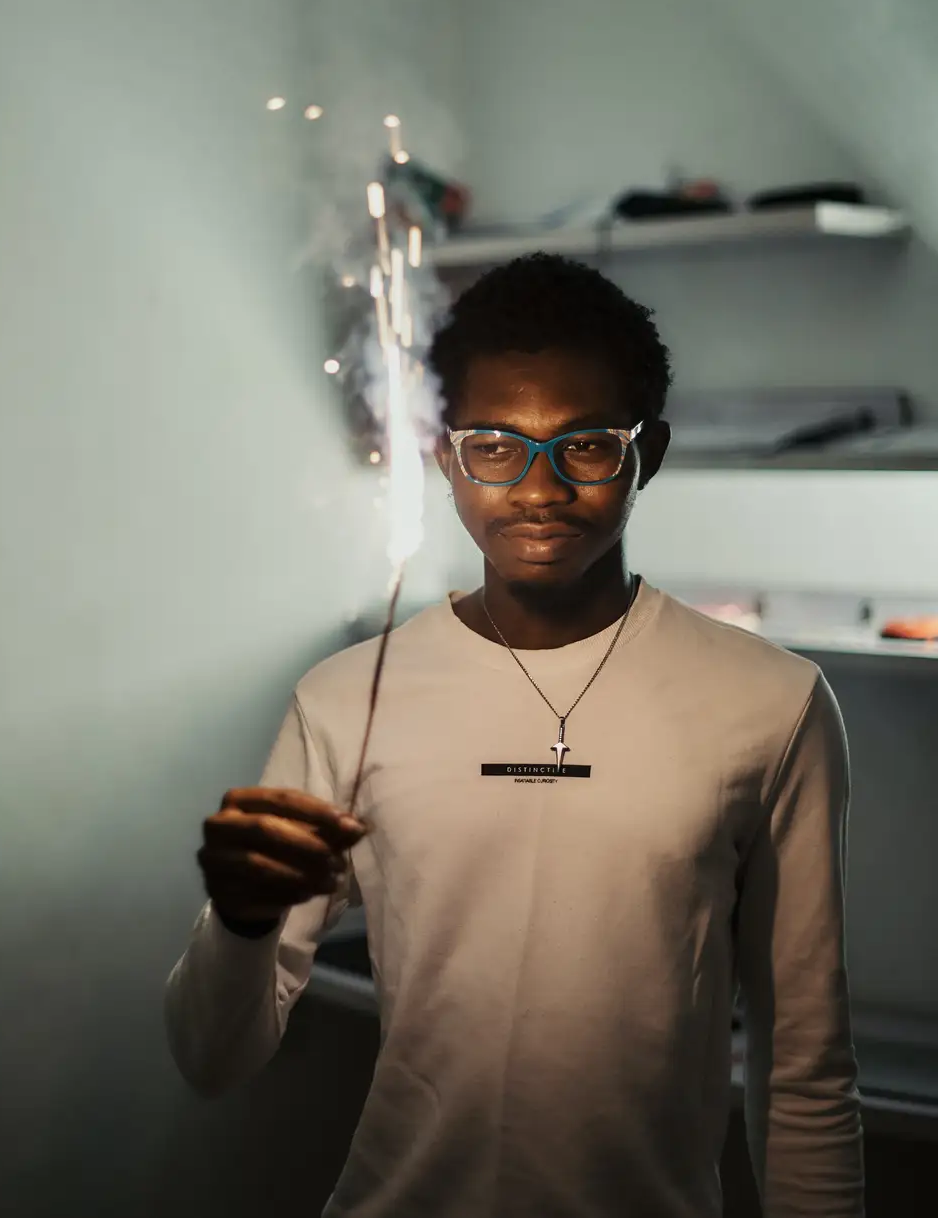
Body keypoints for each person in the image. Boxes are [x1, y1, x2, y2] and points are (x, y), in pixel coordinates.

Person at [165, 253, 864, 1217]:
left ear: (645, 455)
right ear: (447, 455)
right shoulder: (346, 700)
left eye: (583, 446)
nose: (537, 489)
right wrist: (239, 924)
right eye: (494, 445)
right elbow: (212, 1057)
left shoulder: (771, 705)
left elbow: (806, 1069)